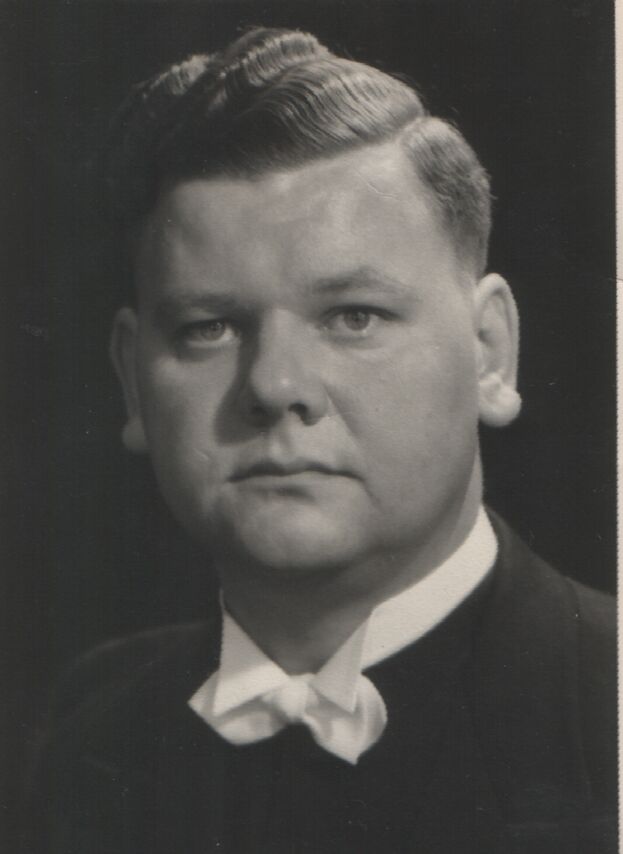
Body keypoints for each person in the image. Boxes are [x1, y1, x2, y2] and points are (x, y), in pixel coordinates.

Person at [26, 26, 616, 853]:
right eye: (208, 327)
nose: (274, 386)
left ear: (489, 352)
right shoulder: (86, 728)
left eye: (353, 317)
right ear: (131, 381)